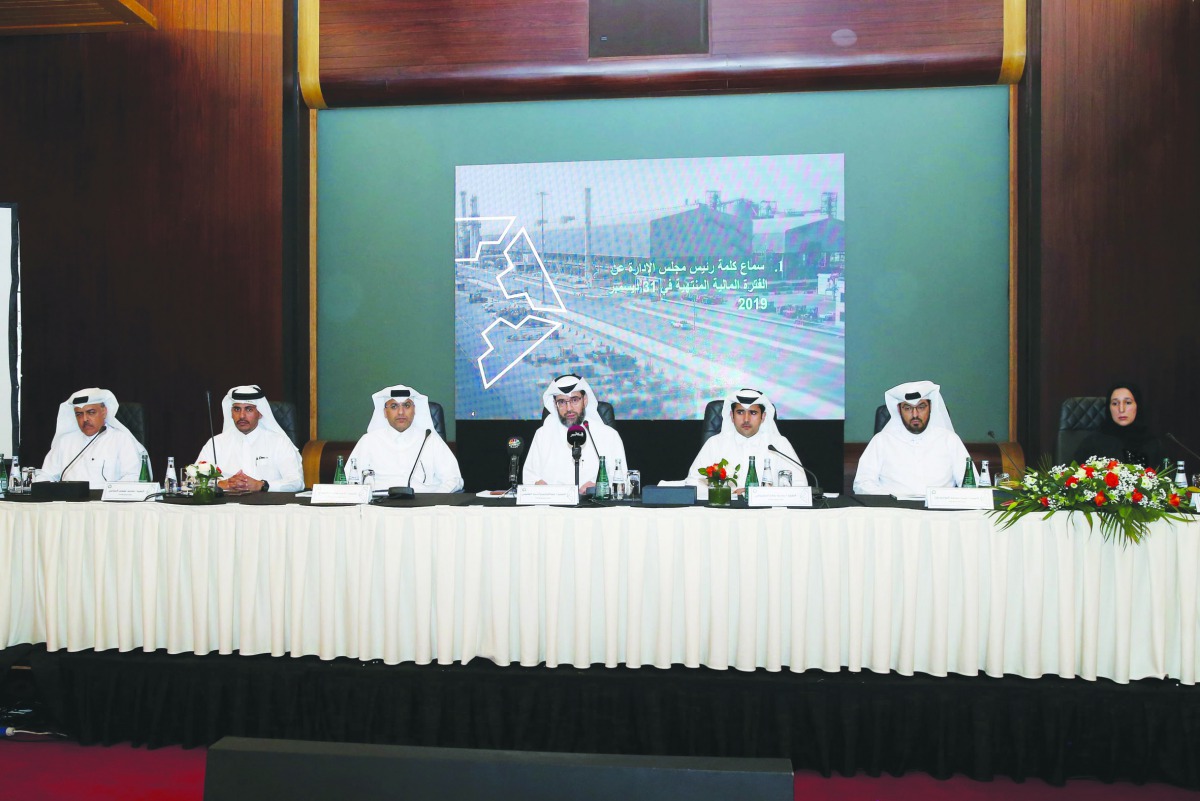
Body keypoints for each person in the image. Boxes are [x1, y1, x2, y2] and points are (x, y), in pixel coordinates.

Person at [853, 380, 975, 496]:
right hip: (893, 512)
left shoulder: (950, 440)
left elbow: (970, 485)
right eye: (908, 408)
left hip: (940, 513)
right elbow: (862, 484)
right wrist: (890, 499)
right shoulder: (881, 441)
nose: (915, 414)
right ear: (899, 410)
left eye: (921, 407)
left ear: (930, 407)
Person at [685, 388, 808, 490]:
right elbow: (693, 483)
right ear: (732, 416)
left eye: (753, 413)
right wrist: (729, 494)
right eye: (740, 412)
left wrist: (761, 495)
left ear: (763, 416)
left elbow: (800, 485)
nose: (746, 419)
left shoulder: (779, 444)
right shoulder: (715, 444)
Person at [348, 384, 463, 492]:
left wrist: (436, 498)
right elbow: (351, 480)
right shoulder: (369, 441)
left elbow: (454, 479)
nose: (401, 412)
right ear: (384, 412)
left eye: (406, 405)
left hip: (424, 506)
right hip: (379, 506)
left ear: (414, 410)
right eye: (394, 406)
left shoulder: (430, 439)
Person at [523, 373, 627, 491]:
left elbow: (621, 480)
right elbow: (529, 477)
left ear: (585, 400)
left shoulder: (609, 435)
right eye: (562, 402)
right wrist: (538, 485)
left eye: (575, 400)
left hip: (594, 506)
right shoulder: (542, 435)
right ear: (554, 404)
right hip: (551, 507)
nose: (569, 408)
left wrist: (599, 488)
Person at [195, 385, 304, 493]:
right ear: (231, 413)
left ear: (260, 413)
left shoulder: (279, 442)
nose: (242, 416)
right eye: (237, 409)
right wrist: (221, 484)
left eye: (249, 409)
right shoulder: (216, 443)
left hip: (267, 507)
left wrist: (261, 485)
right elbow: (192, 480)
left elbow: (296, 482)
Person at [36, 387, 149, 488]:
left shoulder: (121, 440)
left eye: (90, 412)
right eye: (79, 414)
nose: (84, 419)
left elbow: (133, 476)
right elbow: (46, 475)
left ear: (104, 412)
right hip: (70, 506)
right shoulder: (65, 442)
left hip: (108, 506)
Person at [1072, 382, 1167, 468]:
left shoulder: (1152, 444)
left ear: (1138, 406)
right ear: (1109, 408)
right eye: (1115, 403)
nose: (1121, 409)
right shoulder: (1092, 443)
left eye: (1128, 402)